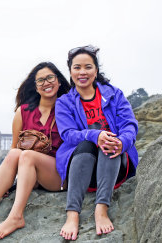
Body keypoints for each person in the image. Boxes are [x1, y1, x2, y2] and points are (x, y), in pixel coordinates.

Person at [0, 62, 70, 239]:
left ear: (59, 81)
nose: (46, 83)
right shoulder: (23, 112)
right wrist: (8, 184)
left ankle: (16, 217)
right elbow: (14, 149)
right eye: (41, 80)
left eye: (50, 78)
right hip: (32, 175)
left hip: (59, 176)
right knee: (15, 153)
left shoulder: (68, 109)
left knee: (27, 155)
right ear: (35, 87)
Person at [56, 45, 139, 240]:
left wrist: (121, 141)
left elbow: (129, 125)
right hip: (82, 171)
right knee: (86, 143)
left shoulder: (114, 94)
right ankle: (72, 213)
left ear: (96, 70)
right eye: (77, 67)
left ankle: (101, 209)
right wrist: (94, 135)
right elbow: (67, 134)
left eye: (88, 67)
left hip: (114, 169)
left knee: (109, 142)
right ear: (70, 71)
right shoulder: (65, 102)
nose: (82, 72)